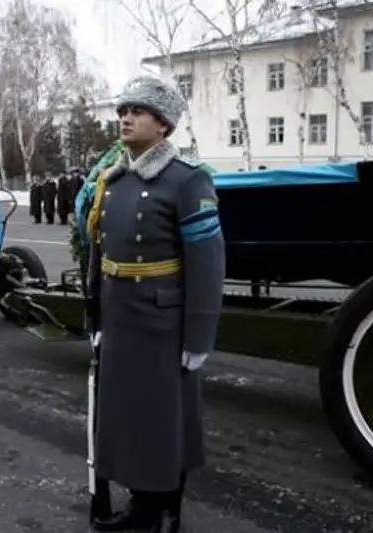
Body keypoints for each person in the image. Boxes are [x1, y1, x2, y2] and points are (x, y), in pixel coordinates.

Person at [85, 75, 225, 532]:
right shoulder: (113, 179)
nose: (125, 118)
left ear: (162, 125)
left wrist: (199, 335)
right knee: (128, 418)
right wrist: (95, 315)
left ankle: (168, 509)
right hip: (121, 318)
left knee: (165, 422)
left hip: (164, 324)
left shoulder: (187, 181)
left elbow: (207, 264)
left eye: (137, 112)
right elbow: (98, 253)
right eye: (123, 110)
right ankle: (141, 504)